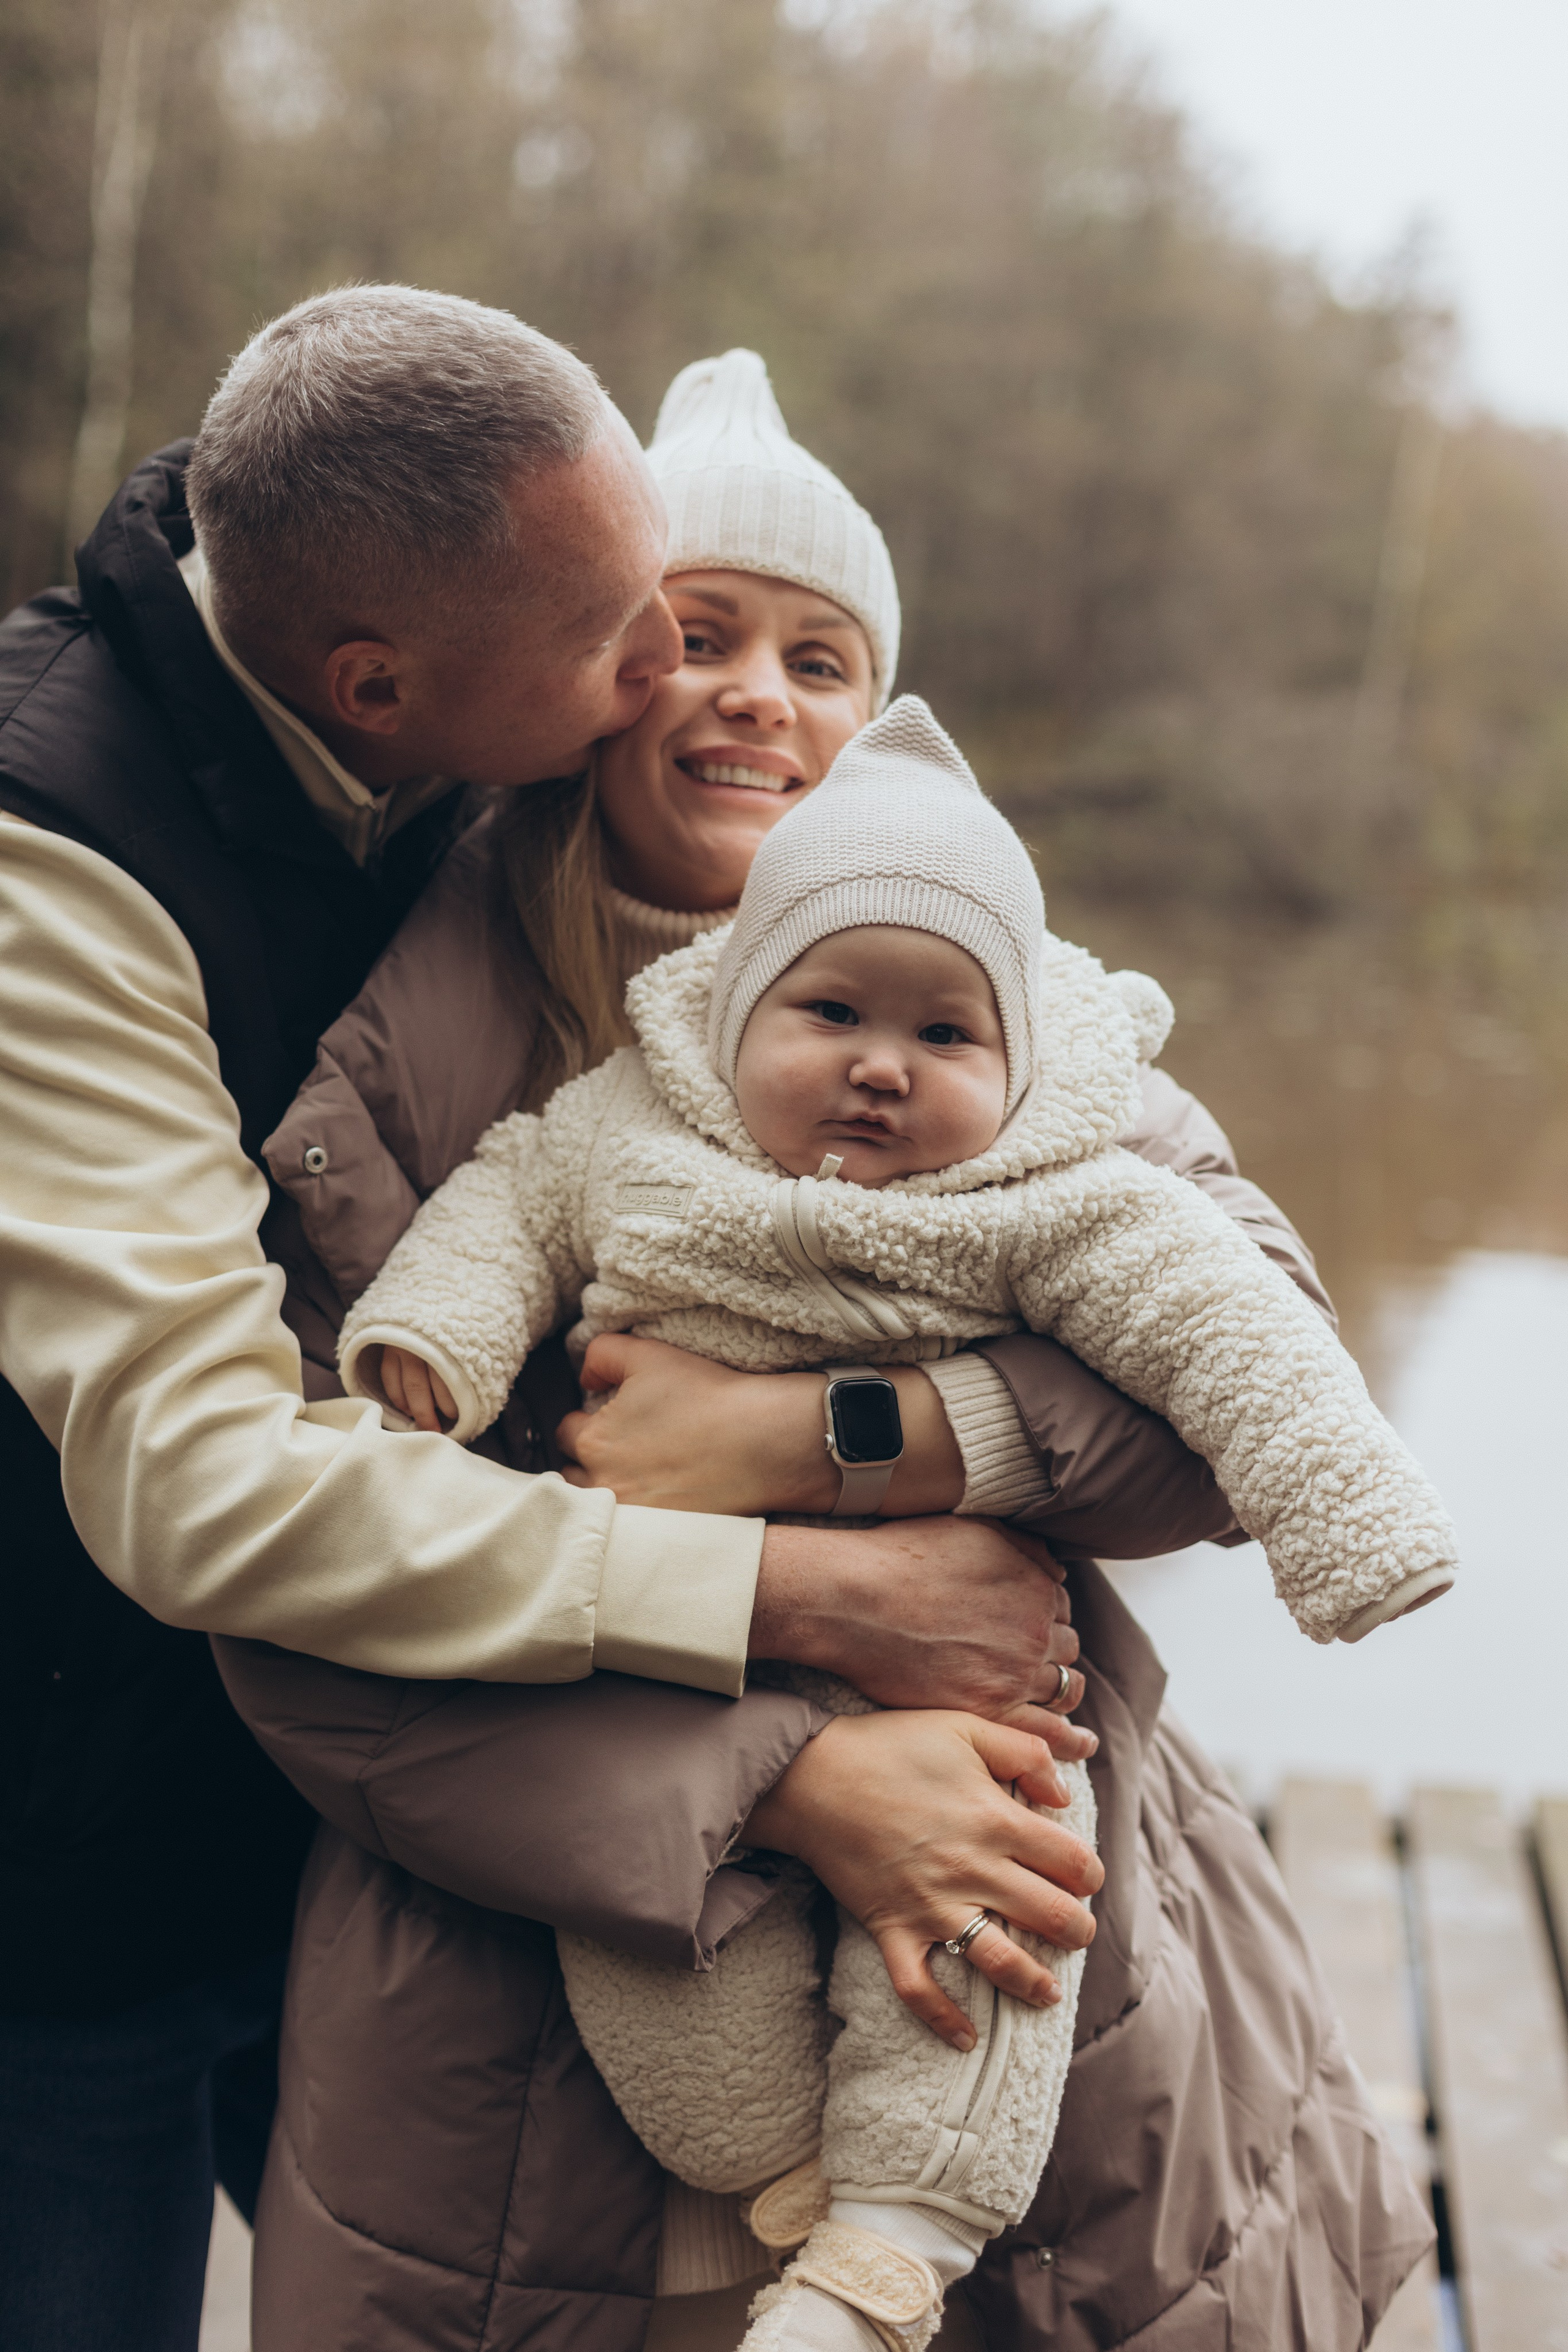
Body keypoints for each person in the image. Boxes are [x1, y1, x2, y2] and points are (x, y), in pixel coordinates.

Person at [233, 350, 1437, 2349]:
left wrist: (848, 1435)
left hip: (1013, 1947)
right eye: (691, 635)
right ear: (589, 671)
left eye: (821, 656)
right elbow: (289, 1583)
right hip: (513, 2046)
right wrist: (791, 1775)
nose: (755, 698)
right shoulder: (402, 1052)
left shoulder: (998, 1007)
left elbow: (1244, 1395)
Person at [0, 297, 1092, 2352]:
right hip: (94, 1859)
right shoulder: (55, 864)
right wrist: (785, 1624)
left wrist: (857, 1440)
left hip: (426, 1849)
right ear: (384, 689)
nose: (671, 681)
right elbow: (214, 1487)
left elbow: (1175, 1338)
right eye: (635, 642)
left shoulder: (813, 917)